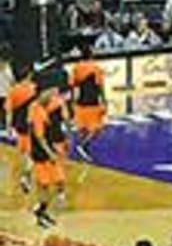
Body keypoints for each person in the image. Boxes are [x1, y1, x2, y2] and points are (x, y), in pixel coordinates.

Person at [29, 86, 66, 227]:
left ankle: (44, 213)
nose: (52, 96)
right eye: (49, 93)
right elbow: (40, 137)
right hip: (42, 155)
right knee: (44, 186)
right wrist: (50, 153)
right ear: (41, 93)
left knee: (51, 183)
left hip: (46, 152)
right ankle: (40, 215)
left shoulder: (38, 107)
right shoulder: (37, 111)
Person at [68, 43, 107, 161]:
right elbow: (100, 86)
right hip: (93, 102)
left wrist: (71, 101)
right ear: (91, 55)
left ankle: (82, 151)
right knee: (97, 128)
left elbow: (72, 85)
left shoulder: (76, 68)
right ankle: (83, 146)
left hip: (80, 101)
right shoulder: (96, 68)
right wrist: (104, 100)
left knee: (82, 128)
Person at [5, 70, 37, 194]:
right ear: (28, 75)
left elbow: (9, 111)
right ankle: (26, 176)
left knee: (24, 153)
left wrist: (8, 128)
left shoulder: (13, 91)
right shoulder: (34, 88)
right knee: (33, 154)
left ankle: (26, 176)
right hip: (33, 124)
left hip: (20, 126)